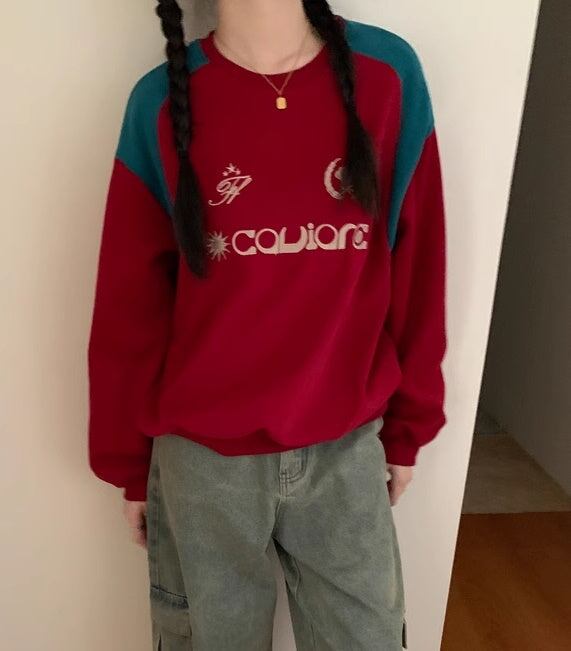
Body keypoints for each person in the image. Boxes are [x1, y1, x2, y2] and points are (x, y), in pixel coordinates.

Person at [87, 0, 447, 648]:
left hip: (343, 446)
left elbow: (418, 261)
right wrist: (130, 462)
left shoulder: (386, 77)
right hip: (202, 466)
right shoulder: (159, 104)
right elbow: (129, 302)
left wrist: (408, 426)